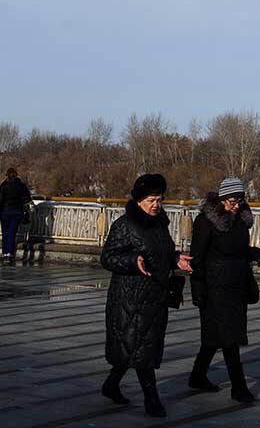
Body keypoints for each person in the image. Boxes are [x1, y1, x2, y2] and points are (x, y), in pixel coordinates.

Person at [100, 173, 193, 418]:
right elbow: (107, 258)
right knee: (142, 350)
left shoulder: (159, 224)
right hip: (129, 299)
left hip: (155, 296)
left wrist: (176, 259)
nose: (156, 205)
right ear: (139, 200)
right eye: (151, 200)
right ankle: (152, 400)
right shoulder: (125, 225)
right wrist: (133, 261)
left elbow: (163, 252)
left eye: (159, 199)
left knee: (135, 347)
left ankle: (111, 385)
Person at [187, 177, 260, 403]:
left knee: (214, 337)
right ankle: (239, 387)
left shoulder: (240, 220)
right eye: (233, 201)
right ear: (222, 199)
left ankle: (197, 376)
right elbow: (197, 258)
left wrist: (254, 253)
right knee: (229, 338)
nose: (237, 206)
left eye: (240, 201)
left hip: (236, 285)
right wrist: (198, 290)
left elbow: (237, 250)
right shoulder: (205, 222)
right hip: (214, 287)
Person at [0, 168, 32, 263]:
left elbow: (0, 200)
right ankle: (10, 253)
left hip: (5, 212)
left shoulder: (4, 185)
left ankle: (4, 253)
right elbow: (27, 199)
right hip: (17, 212)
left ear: (7, 175)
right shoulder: (21, 186)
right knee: (12, 233)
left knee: (5, 233)